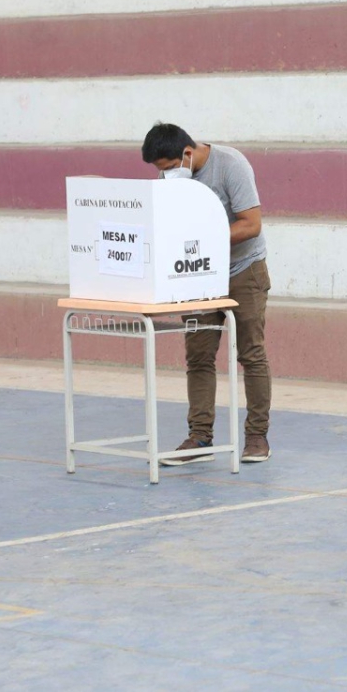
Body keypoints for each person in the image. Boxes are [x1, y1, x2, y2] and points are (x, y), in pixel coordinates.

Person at [142, 123, 272, 464]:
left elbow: (251, 224)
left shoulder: (231, 165)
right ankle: (200, 437)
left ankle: (257, 437)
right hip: (197, 276)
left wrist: (204, 241)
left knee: (251, 354)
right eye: (161, 171)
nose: (166, 175)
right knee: (198, 356)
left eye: (171, 167)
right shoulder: (170, 179)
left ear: (187, 153)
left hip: (243, 270)